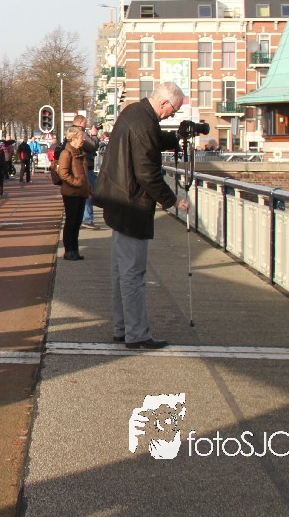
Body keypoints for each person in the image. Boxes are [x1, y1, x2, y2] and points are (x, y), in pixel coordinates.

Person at [93, 81, 190, 350]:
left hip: (118, 201)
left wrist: (175, 138)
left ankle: (122, 328)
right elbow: (147, 173)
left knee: (121, 272)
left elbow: (148, 140)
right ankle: (136, 333)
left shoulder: (134, 112)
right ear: (164, 103)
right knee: (133, 274)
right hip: (132, 205)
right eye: (173, 111)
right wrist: (173, 200)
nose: (171, 115)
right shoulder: (145, 124)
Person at [57, 126, 92, 260]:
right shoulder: (66, 153)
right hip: (71, 193)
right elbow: (63, 173)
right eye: (81, 137)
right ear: (74, 138)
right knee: (71, 222)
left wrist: (87, 188)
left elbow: (85, 174)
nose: (83, 139)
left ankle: (75, 250)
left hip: (81, 192)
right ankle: (68, 251)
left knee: (77, 222)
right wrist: (76, 182)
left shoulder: (80, 152)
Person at [72, 113, 101, 229]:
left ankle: (83, 218)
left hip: (81, 167)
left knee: (83, 193)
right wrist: (94, 135)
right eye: (84, 122)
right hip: (86, 167)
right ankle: (87, 219)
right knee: (88, 192)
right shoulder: (80, 133)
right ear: (80, 123)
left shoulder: (72, 132)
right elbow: (93, 145)